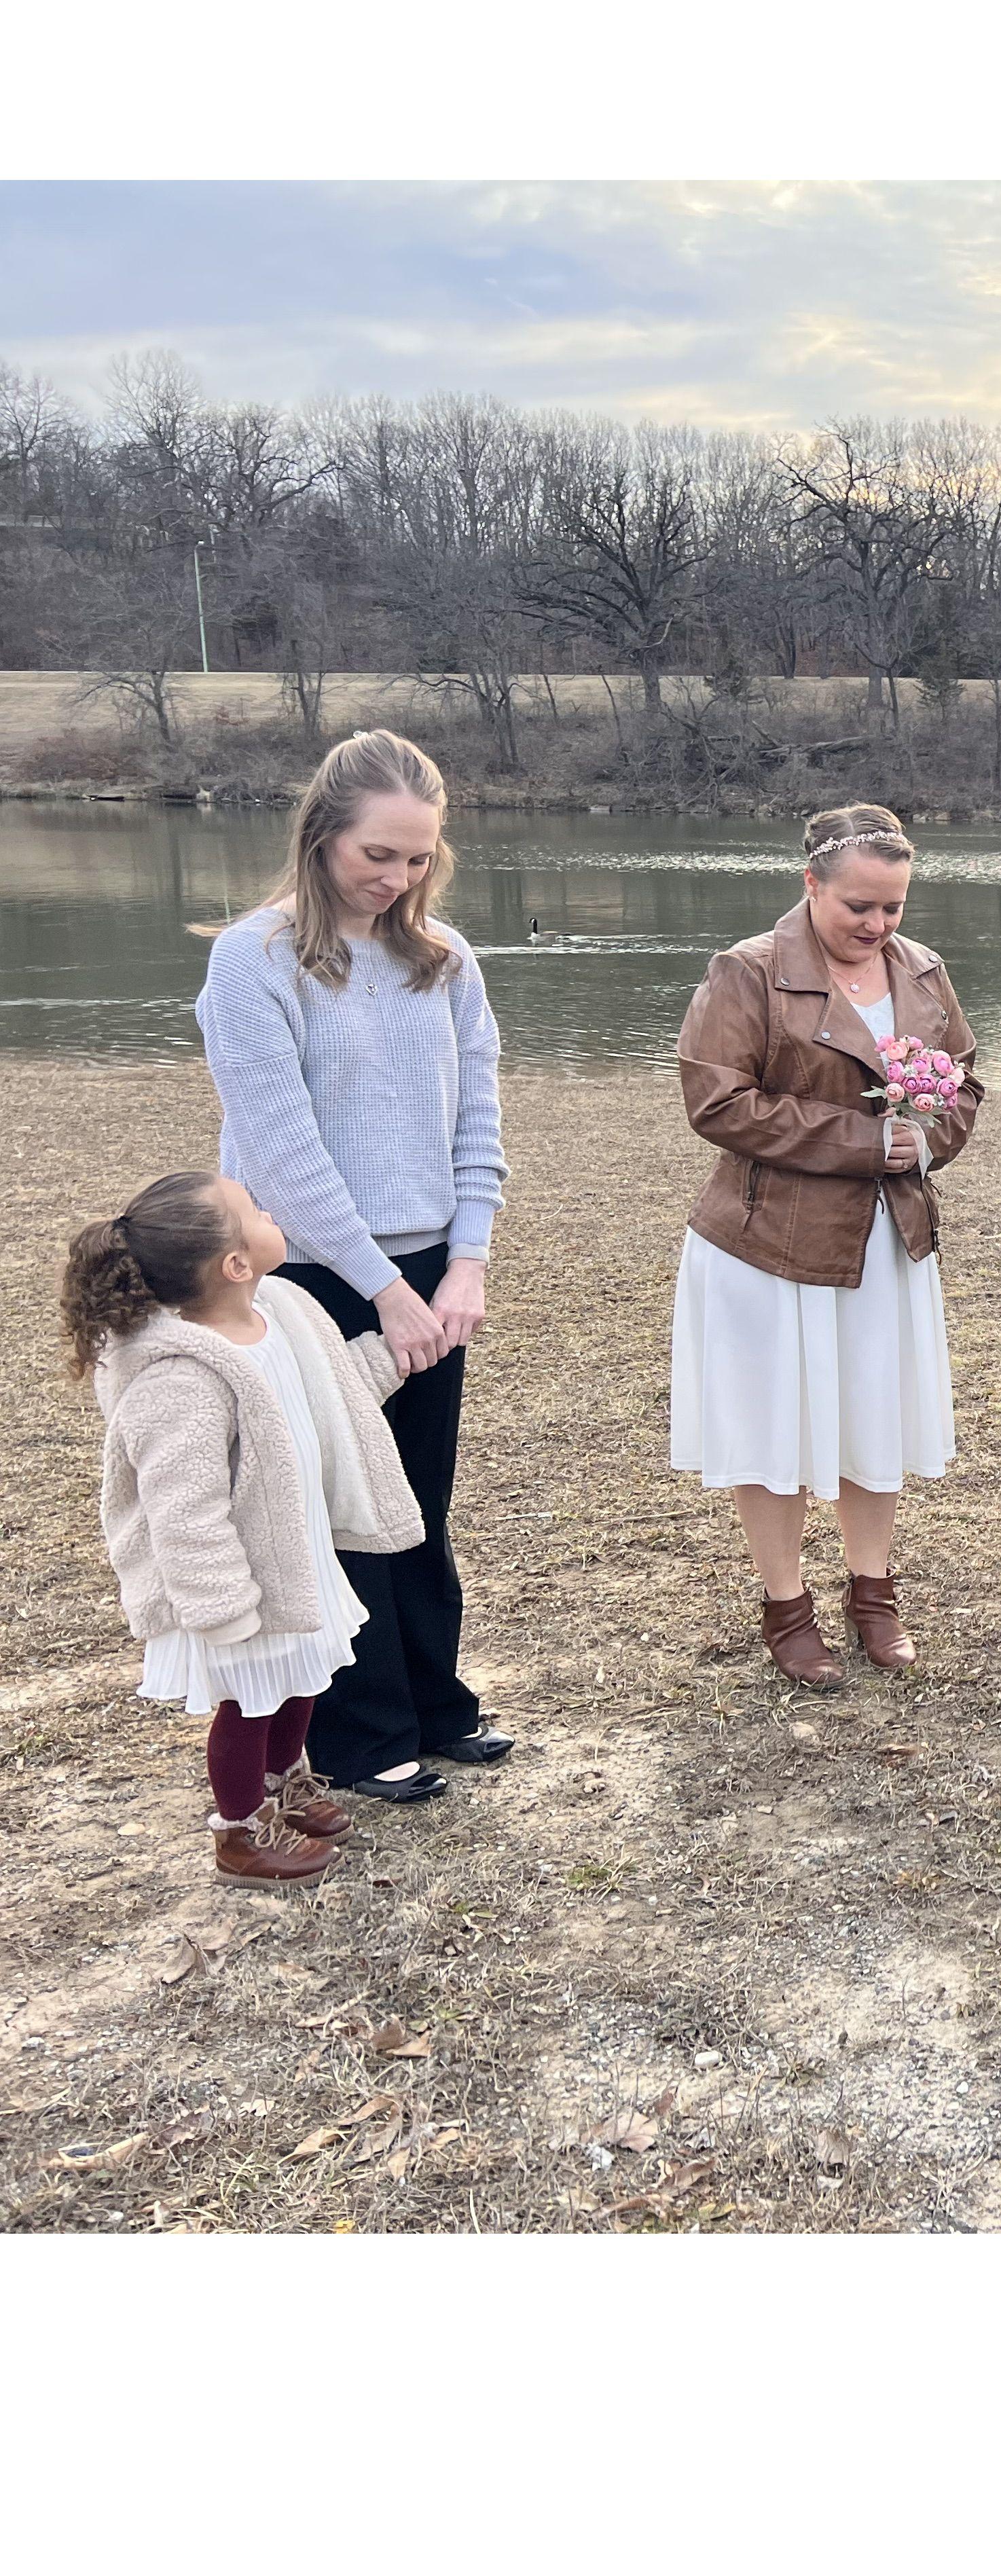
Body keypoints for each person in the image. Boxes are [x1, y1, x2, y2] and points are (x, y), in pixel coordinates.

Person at [196, 729, 510, 1806]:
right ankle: (356, 1732)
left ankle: (435, 1703)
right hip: (310, 1273)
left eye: (419, 859)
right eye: (378, 854)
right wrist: (383, 1286)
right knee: (333, 1505)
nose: (398, 878)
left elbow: (479, 1123)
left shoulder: (448, 959)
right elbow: (282, 1146)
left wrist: (464, 1263)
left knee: (420, 1495)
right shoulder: (254, 959)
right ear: (321, 834)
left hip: (430, 1269)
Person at [673, 803, 982, 1688]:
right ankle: (787, 1608)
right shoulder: (749, 972)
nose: (878, 926)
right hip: (769, 1247)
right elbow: (717, 1102)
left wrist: (926, 1139)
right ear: (810, 884)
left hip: (886, 1240)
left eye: (893, 908)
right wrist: (862, 1142)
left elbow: (964, 1083)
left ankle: (873, 1595)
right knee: (774, 1427)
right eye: (859, 907)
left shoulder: (923, 971)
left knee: (874, 1414)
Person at [64, 1172, 422, 1887]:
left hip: (293, 1553)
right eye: (254, 1211)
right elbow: (181, 1505)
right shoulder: (179, 1377)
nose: (270, 1210)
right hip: (236, 1582)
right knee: (247, 1705)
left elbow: (330, 1394)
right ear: (235, 1263)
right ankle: (238, 1829)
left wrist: (395, 1356)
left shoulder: (281, 1312)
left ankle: (287, 1782)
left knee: (301, 1680)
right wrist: (220, 1604)